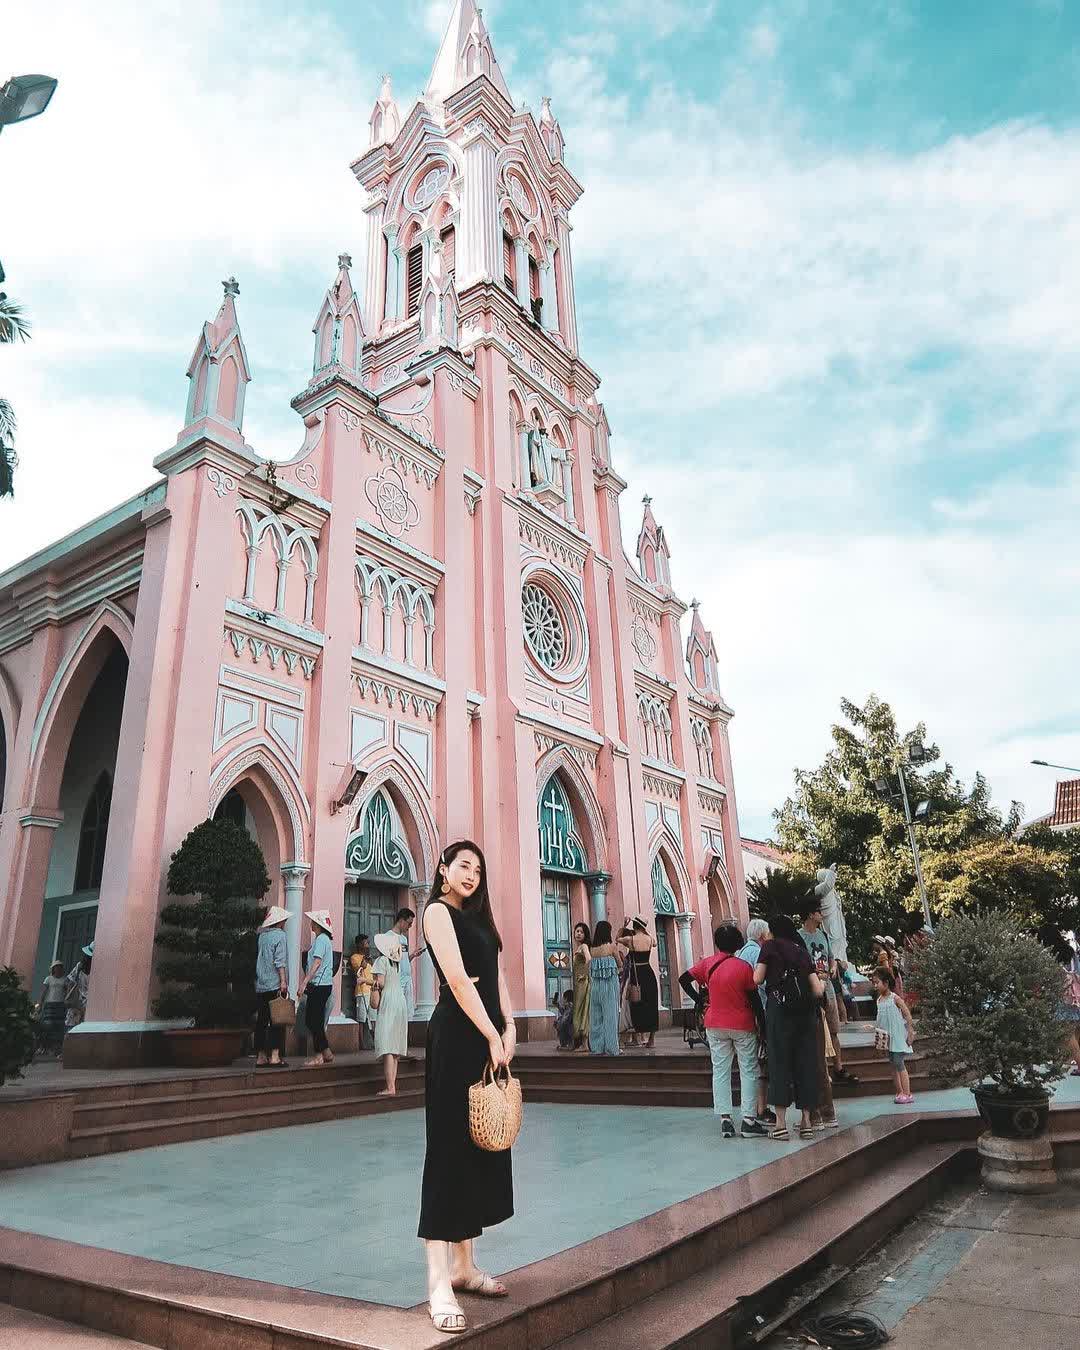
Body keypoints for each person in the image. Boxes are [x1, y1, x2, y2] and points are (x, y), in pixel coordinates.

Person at [419, 841, 515, 1335]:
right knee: (448, 1153)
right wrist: (492, 1032)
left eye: (478, 867)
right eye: (463, 866)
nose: (471, 874)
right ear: (443, 870)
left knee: (478, 1149)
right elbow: (459, 981)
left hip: (486, 1037)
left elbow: (493, 978)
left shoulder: (480, 919)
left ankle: (465, 1267)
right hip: (458, 1037)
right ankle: (438, 1282)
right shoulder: (437, 912)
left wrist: (510, 1025)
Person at [682, 924, 767, 1139]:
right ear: (738, 942)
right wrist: (763, 1026)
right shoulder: (743, 967)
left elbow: (683, 979)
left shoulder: (708, 963)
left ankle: (726, 1120)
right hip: (742, 1024)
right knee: (748, 1069)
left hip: (714, 1024)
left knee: (720, 1070)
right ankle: (748, 1120)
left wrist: (699, 998)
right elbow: (755, 1000)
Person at [753, 914, 825, 1141]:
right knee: (805, 1063)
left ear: (772, 930)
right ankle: (806, 1123)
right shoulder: (801, 951)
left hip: (779, 1012)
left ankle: (781, 1125)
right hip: (804, 1015)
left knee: (779, 1063)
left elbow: (757, 978)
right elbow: (817, 989)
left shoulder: (769, 947)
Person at [798, 899, 855, 1085]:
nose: (822, 915)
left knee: (833, 1029)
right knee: (815, 1029)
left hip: (827, 984)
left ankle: (838, 1066)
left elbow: (830, 957)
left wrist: (832, 967)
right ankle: (821, 1070)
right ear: (810, 914)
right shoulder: (800, 937)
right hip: (811, 985)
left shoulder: (823, 935)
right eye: (818, 912)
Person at [736, 918, 775, 1126]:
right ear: (762, 935)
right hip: (759, 1011)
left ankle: (755, 1109)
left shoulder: (742, 952)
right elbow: (761, 982)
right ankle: (760, 1108)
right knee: (762, 1061)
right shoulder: (757, 953)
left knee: (752, 1062)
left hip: (745, 1012)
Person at [1036, 923, 1080, 1077]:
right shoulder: (1070, 951)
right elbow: (1077, 971)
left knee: (1066, 1035)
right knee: (1073, 1033)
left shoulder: (1046, 953)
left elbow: (1043, 975)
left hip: (1059, 995)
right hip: (1074, 995)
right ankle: (1059, 1063)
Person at [296, 910, 335, 1068]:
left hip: (319, 985)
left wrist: (304, 982)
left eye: (313, 922)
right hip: (322, 985)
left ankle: (319, 1055)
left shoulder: (321, 940)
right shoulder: (323, 940)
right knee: (315, 1020)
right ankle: (326, 1052)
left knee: (313, 1020)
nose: (310, 924)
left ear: (318, 925)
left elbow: (316, 963)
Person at [373, 931, 409, 1095]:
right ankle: (392, 1085)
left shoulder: (381, 961)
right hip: (400, 1000)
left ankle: (390, 1086)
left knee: (387, 1043)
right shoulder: (396, 963)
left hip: (388, 1000)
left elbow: (380, 983)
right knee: (394, 1046)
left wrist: (365, 980)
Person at [872, 965, 915, 1103]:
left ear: (886, 983)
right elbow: (880, 1021)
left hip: (897, 1036)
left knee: (898, 1062)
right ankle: (899, 1091)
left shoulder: (894, 998)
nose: (875, 985)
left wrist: (910, 1032)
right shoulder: (879, 1001)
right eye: (874, 983)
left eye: (877, 982)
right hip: (887, 1038)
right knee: (892, 1064)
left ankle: (907, 1093)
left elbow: (907, 1014)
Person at [254, 904, 290, 1068]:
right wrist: (283, 981)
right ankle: (275, 1056)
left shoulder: (262, 936)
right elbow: (280, 961)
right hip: (275, 983)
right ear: (280, 921)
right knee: (277, 1020)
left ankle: (260, 1056)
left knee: (261, 1021)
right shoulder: (280, 936)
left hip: (261, 983)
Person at [618, 916, 659, 1049]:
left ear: (634, 925)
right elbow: (655, 943)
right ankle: (651, 1040)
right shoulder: (649, 939)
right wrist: (645, 931)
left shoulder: (631, 939)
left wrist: (624, 925)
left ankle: (637, 1038)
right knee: (651, 1005)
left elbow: (617, 939)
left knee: (636, 1005)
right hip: (649, 973)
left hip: (637, 975)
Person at [587, 921, 624, 1056]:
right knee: (610, 1017)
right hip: (609, 985)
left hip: (595, 987)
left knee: (596, 1017)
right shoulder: (612, 947)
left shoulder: (592, 949)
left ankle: (597, 1047)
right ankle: (612, 1048)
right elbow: (620, 965)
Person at [350, 934, 376, 1050]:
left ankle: (375, 1042)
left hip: (372, 990)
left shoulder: (369, 958)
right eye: (365, 943)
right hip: (361, 991)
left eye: (368, 943)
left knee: (373, 1018)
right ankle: (361, 1043)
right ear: (359, 944)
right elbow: (359, 969)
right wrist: (365, 958)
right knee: (361, 1019)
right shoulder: (355, 957)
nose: (367, 945)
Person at [38, 961, 68, 1055]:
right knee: (48, 1026)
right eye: (56, 967)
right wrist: (40, 1003)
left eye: (60, 967)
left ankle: (56, 1048)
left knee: (58, 1026)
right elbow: (43, 991)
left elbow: (67, 992)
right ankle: (45, 1047)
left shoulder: (65, 979)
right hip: (49, 1004)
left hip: (60, 1004)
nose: (58, 969)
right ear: (53, 969)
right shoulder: (49, 979)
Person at [571, 922, 592, 1052]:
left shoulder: (584, 946)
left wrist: (584, 975)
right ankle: (582, 1043)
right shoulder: (578, 947)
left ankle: (584, 1044)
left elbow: (589, 959)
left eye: (581, 932)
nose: (578, 933)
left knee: (582, 1009)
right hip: (578, 983)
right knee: (579, 1009)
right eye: (577, 931)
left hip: (582, 983)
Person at [65, 943, 93, 1028]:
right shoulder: (97, 968)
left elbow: (70, 980)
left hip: (78, 1001)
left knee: (73, 1027)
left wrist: (69, 994)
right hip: (89, 1004)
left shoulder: (79, 966)